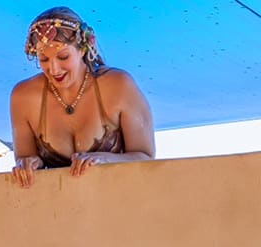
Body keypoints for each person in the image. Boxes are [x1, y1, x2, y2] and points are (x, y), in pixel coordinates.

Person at [10, 7, 155, 188]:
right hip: (58, 208)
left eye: (63, 57)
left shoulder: (118, 85)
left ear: (83, 49)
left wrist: (105, 159)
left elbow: (147, 158)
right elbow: (26, 170)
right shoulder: (23, 97)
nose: (54, 69)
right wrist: (29, 164)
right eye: (44, 59)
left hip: (118, 201)